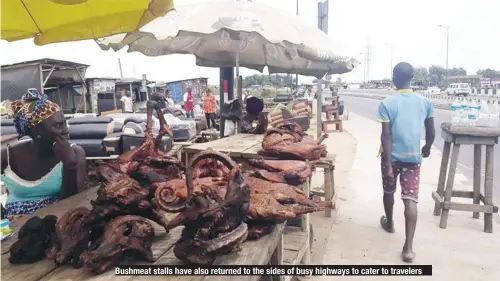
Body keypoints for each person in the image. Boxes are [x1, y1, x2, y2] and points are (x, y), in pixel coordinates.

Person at [377, 62, 435, 263]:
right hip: (413, 158)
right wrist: (427, 147)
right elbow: (430, 130)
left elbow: (386, 136)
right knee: (410, 199)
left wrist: (389, 164)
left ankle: (390, 223)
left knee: (388, 191)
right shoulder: (425, 103)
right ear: (412, 78)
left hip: (390, 157)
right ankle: (408, 248)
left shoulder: (386, 103)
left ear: (394, 78)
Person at [0, 89, 87, 219]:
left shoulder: (75, 153)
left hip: (56, 224)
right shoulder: (7, 156)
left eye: (65, 123)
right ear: (36, 130)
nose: (65, 131)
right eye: (58, 125)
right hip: (13, 230)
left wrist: (70, 165)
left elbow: (74, 204)